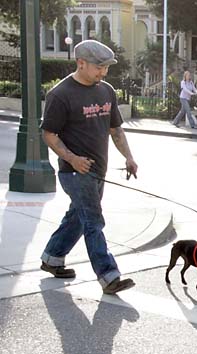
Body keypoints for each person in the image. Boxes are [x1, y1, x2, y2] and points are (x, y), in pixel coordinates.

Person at [39, 39, 139, 295]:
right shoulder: (60, 95)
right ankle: (108, 275)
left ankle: (52, 257)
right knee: (94, 221)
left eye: (106, 67)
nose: (103, 72)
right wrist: (72, 158)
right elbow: (49, 134)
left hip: (98, 170)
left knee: (79, 218)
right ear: (80, 63)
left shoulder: (106, 91)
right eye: (99, 67)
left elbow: (115, 130)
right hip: (75, 172)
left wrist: (128, 157)